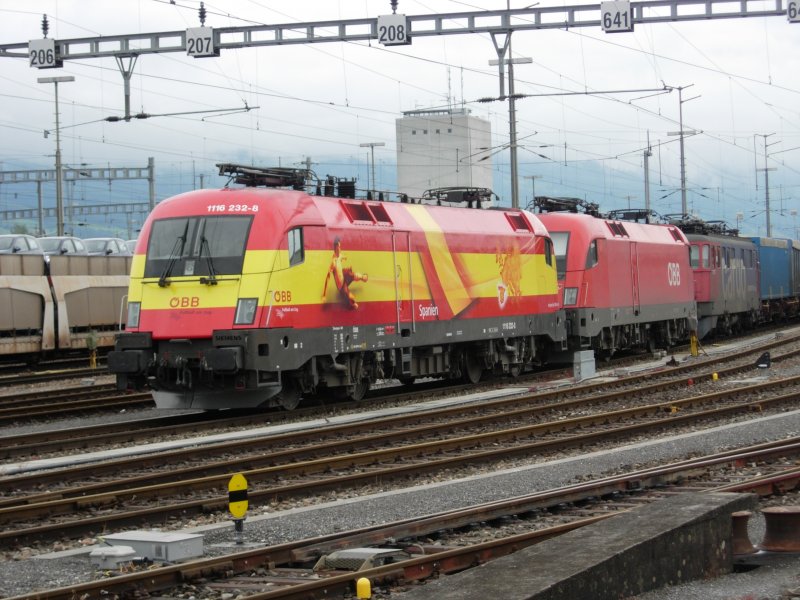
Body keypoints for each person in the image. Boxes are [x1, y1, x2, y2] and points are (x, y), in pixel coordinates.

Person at [322, 236, 368, 309]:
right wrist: (324, 295)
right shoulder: (333, 262)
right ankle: (352, 302)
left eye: (340, 246)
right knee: (353, 302)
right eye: (339, 247)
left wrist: (345, 259)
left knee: (350, 273)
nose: (340, 249)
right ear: (336, 247)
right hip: (341, 286)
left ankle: (362, 277)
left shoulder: (340, 255)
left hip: (344, 277)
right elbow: (327, 278)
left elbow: (343, 257)